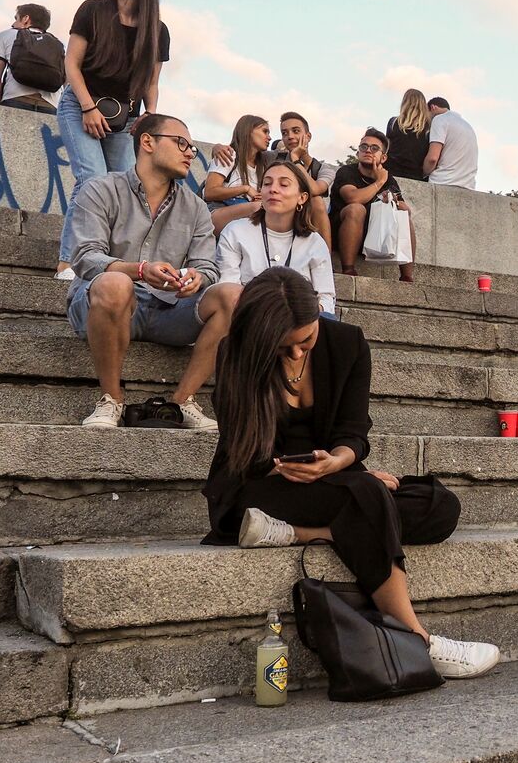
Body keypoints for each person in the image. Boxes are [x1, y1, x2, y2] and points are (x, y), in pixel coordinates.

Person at [203, 268, 499, 680]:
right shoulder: (237, 352)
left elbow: (354, 431)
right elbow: (246, 453)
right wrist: (343, 479)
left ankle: (301, 533)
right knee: (363, 495)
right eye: (282, 347)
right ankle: (418, 640)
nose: (295, 354)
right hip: (259, 486)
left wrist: (340, 464)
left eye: (305, 341)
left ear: (320, 314)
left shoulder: (347, 343)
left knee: (438, 506)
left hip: (331, 481)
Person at [65, 113, 238, 430]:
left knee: (233, 295)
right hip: (104, 304)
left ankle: (181, 401)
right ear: (147, 142)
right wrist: (139, 270)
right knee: (116, 284)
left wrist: (198, 278)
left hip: (166, 309)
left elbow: (207, 267)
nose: (190, 152)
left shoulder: (196, 206)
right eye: (181, 143)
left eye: (191, 147)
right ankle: (111, 400)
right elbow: (85, 258)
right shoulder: (100, 189)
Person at [55, 0, 171, 283]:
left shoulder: (157, 30)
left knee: (122, 189)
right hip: (81, 105)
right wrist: (89, 107)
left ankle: (106, 261)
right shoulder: (92, 11)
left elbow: (151, 82)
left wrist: (150, 118)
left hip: (127, 117)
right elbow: (71, 65)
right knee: (91, 179)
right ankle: (68, 262)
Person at [217, 161, 336, 316]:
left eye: (284, 185)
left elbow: (326, 298)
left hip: (300, 321)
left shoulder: (315, 243)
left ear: (302, 197)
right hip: (248, 316)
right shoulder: (235, 231)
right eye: (267, 183)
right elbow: (227, 287)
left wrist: (302, 316)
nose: (273, 189)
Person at [331, 128, 416, 283]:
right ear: (358, 153)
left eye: (374, 148)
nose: (368, 150)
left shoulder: (388, 178)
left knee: (404, 215)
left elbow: (404, 208)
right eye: (364, 147)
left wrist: (395, 203)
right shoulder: (347, 172)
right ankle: (348, 269)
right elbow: (352, 198)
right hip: (341, 235)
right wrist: (379, 183)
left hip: (375, 237)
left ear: (383, 158)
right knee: (356, 209)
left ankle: (407, 277)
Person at [273, 111, 335, 247]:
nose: (290, 136)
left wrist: (296, 160)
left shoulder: (324, 169)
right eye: (284, 133)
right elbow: (246, 150)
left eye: (295, 131)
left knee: (317, 201)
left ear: (308, 136)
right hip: (276, 215)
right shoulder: (274, 158)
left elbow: (314, 189)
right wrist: (219, 147)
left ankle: (325, 262)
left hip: (306, 219)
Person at [204, 114, 273, 232]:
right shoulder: (228, 155)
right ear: (248, 130)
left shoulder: (261, 165)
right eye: (265, 131)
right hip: (216, 212)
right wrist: (245, 189)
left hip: (245, 213)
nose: (269, 137)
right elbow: (209, 192)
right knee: (259, 208)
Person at [0, 3, 59, 113]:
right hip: (51, 106)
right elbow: (67, 83)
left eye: (16, 18)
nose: (13, 23)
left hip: (15, 101)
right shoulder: (58, 44)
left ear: (26, 19)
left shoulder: (5, 35)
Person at [424, 100, 477, 188]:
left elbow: (432, 158)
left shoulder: (439, 119)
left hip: (443, 182)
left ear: (433, 107)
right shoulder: (467, 125)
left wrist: (423, 173)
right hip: (467, 185)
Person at [384, 88, 432, 182]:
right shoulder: (429, 128)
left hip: (391, 173)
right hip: (415, 175)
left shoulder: (393, 122)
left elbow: (386, 149)